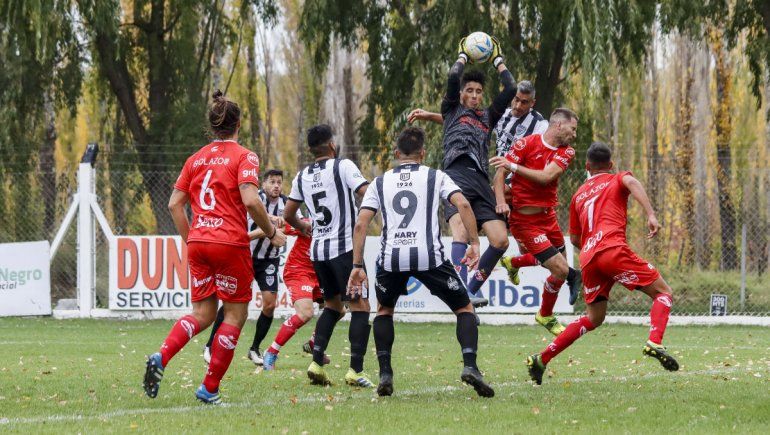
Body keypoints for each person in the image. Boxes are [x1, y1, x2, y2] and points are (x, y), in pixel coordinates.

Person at [142, 90, 286, 404]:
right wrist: (270, 229)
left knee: (203, 313)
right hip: (229, 244)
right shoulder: (244, 156)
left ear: (213, 125)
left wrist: (192, 239)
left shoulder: (195, 158)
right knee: (234, 315)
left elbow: (174, 205)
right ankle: (209, 389)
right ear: (238, 124)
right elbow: (250, 199)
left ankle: (161, 356)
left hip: (199, 242)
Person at [348, 127, 493, 398]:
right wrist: (474, 242)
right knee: (464, 307)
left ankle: (385, 373)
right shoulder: (435, 176)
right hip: (430, 256)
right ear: (423, 154)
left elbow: (361, 224)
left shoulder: (379, 182)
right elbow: (462, 204)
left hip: (391, 258)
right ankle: (470, 366)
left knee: (384, 311)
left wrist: (357, 265)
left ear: (396, 153)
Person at [526, 142, 678, 385]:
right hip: (612, 249)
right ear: (611, 165)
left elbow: (575, 238)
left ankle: (541, 359)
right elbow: (632, 183)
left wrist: (594, 248)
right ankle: (654, 342)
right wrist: (650, 214)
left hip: (589, 257)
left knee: (593, 317)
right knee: (663, 292)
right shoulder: (618, 178)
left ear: (587, 167)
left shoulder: (577, 196)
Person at [407, 37, 516, 308]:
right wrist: (463, 55)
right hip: (454, 176)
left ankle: (471, 287)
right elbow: (454, 76)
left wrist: (497, 59)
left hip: (480, 180)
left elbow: (511, 87)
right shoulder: (452, 110)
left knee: (501, 240)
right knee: (461, 235)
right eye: (470, 90)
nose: (475, 95)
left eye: (479, 91)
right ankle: (459, 292)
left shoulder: (488, 117)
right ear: (461, 95)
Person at [283, 124, 374, 388]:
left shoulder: (301, 176)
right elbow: (365, 193)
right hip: (344, 249)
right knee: (360, 307)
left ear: (311, 150)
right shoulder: (343, 166)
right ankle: (355, 371)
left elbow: (289, 214)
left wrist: (303, 227)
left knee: (334, 306)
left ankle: (315, 362)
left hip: (318, 252)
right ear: (332, 145)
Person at [489, 108, 582, 336]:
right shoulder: (525, 144)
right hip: (525, 221)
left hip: (548, 217)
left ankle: (515, 265)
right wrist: (501, 202)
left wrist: (513, 166)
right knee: (560, 268)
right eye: (573, 129)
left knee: (557, 265)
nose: (575, 134)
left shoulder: (566, 151)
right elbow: (499, 175)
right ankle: (549, 311)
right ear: (559, 125)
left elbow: (546, 177)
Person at [407, 80, 548, 218]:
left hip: (520, 177)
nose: (518, 105)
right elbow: (465, 122)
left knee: (483, 200)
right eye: (516, 99)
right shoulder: (503, 116)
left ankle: (467, 228)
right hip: (502, 176)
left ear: (532, 103)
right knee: (499, 225)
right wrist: (429, 115)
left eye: (524, 102)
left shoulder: (540, 124)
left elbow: (546, 150)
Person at [202, 169, 289, 365]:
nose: (276, 186)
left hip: (269, 260)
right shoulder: (253, 200)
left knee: (269, 304)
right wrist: (270, 228)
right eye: (272, 182)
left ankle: (254, 349)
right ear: (263, 184)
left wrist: (289, 226)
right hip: (244, 256)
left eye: (279, 182)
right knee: (232, 304)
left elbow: (291, 223)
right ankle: (209, 345)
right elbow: (247, 235)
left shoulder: (286, 204)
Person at [262, 219, 330, 370]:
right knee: (305, 313)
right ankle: (271, 352)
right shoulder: (309, 223)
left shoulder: (339, 229)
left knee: (338, 310)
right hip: (298, 271)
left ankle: (314, 342)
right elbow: (277, 228)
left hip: (320, 274)